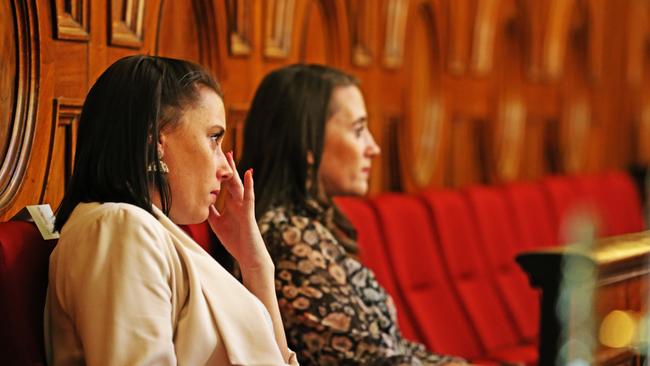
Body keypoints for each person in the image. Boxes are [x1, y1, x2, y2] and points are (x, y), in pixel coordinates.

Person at [44, 55, 298, 366]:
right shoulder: (119, 227)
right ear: (154, 140)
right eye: (214, 138)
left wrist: (256, 267)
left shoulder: (150, 230)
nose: (226, 168)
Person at [238, 64, 466, 365]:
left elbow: (391, 350)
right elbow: (376, 361)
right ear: (309, 143)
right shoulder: (287, 240)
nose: (374, 147)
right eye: (359, 131)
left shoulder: (309, 226)